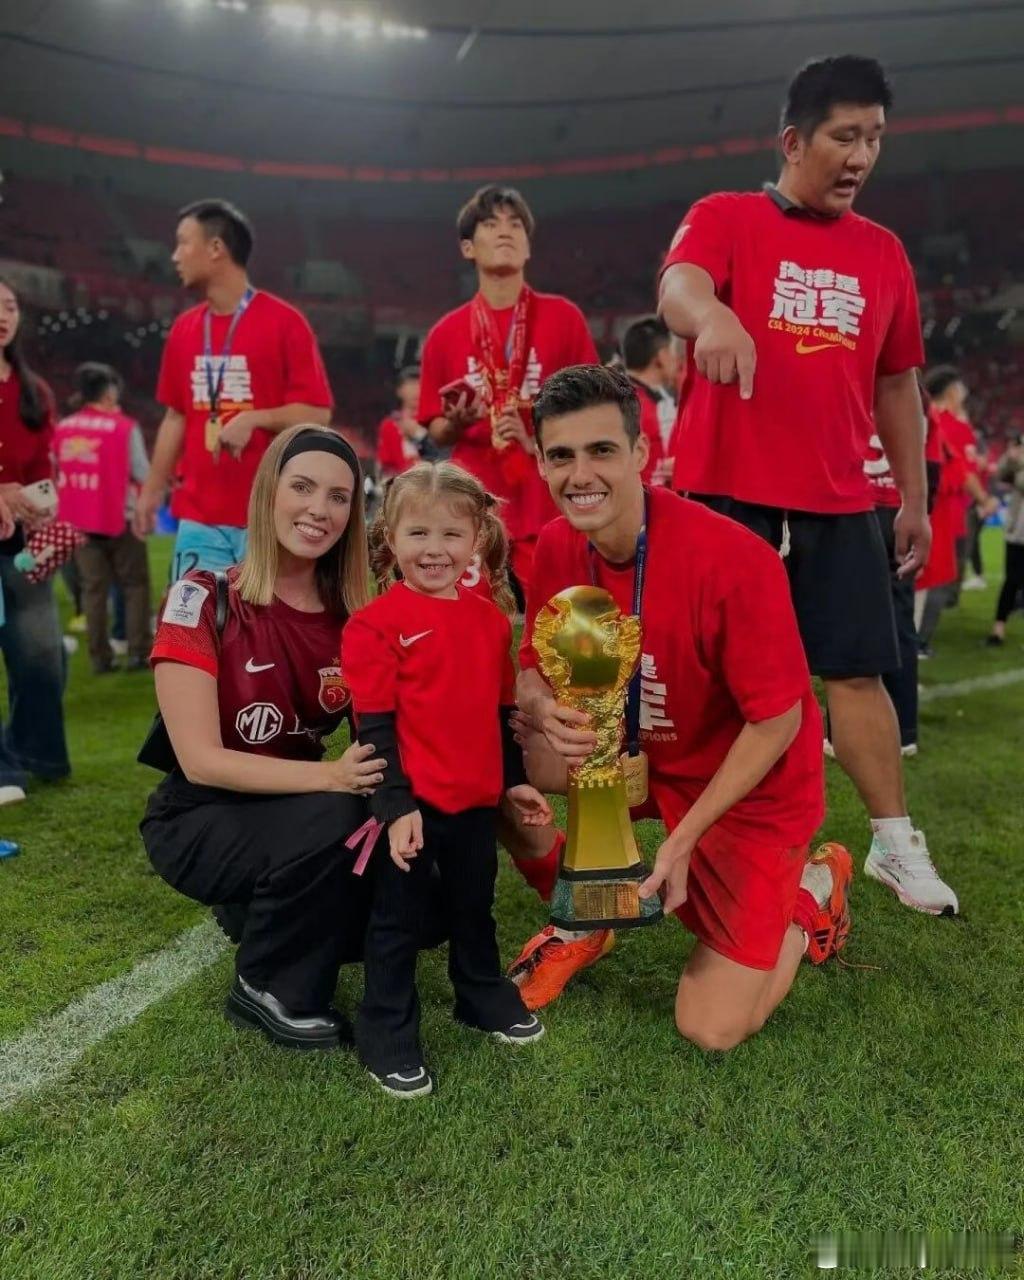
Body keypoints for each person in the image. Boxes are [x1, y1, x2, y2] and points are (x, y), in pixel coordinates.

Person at [658, 54, 958, 915]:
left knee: (858, 673)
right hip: (726, 496)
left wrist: (913, 499)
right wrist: (713, 314)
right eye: (844, 136)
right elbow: (678, 287)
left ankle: (894, 844)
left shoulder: (883, 252)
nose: (861, 156)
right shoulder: (726, 216)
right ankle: (725, 842)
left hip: (838, 498)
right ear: (794, 141)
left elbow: (897, 384)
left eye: (875, 138)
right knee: (721, 685)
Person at [508, 366, 850, 1049]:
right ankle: (585, 915)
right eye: (561, 455)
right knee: (489, 768)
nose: (581, 474)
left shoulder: (734, 560)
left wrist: (684, 837)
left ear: (641, 452)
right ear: (540, 462)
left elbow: (778, 719)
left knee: (711, 1027)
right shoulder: (554, 545)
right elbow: (530, 668)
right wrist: (542, 708)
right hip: (634, 756)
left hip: (745, 783)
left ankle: (812, 894)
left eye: (602, 450)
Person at [139, 424, 387, 1050]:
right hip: (200, 815)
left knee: (420, 880)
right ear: (268, 492)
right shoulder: (201, 598)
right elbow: (200, 761)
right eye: (302, 487)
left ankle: (256, 906)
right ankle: (268, 986)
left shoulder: (357, 618)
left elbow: (386, 736)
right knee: (341, 815)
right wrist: (331, 776)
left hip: (292, 811)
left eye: (338, 496)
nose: (319, 509)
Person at [342, 462, 551, 1096]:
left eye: (451, 534)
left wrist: (513, 782)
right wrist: (394, 805)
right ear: (391, 538)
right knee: (396, 921)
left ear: (477, 539)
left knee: (473, 906)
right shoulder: (373, 625)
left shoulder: (490, 623)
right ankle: (385, 1027)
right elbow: (374, 730)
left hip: (475, 806)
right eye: (419, 534)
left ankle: (480, 993)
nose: (435, 550)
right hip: (409, 809)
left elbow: (500, 713)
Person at [133, 199, 333, 580]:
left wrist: (255, 418)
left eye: (183, 243)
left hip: (268, 516)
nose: (175, 256)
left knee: (260, 621)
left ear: (215, 249)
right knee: (194, 618)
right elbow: (176, 416)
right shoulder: (185, 329)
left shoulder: (285, 323)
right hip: (198, 517)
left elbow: (317, 413)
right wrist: (152, 489)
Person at [419, 184, 599, 596]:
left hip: (548, 495)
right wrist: (456, 422)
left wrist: (538, 437)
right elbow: (436, 431)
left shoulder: (564, 318)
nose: (505, 231)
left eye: (516, 225)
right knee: (470, 621)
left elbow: (592, 407)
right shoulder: (444, 333)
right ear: (468, 247)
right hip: (474, 500)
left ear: (528, 246)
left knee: (562, 619)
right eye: (490, 224)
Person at [0, 276, 68, 805]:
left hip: (24, 541)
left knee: (43, 653)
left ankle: (34, 752)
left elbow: (47, 466)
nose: (4, 316)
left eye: (10, 306)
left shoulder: (34, 390)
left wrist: (45, 502)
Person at [55, 362, 152, 674]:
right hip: (121, 518)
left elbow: (55, 470)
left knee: (93, 590)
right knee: (134, 585)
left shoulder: (63, 428)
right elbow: (143, 472)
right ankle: (138, 652)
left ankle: (100, 658)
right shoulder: (124, 427)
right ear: (110, 393)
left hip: (78, 521)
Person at [916, 367, 997, 657]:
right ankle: (917, 643)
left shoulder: (924, 416)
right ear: (952, 391)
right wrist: (984, 498)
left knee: (921, 578)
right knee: (934, 578)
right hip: (941, 511)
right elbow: (962, 471)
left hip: (923, 508)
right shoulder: (948, 424)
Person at [621, 315, 679, 486]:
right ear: (662, 356)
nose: (676, 359)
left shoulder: (611, 399)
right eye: (672, 351)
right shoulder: (656, 408)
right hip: (651, 497)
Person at [987, 434, 1024, 646]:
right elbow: (1001, 474)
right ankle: (998, 629)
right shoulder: (1020, 447)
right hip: (1017, 530)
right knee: (1011, 580)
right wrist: (1010, 458)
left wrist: (1019, 463)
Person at [375, 366, 437, 480]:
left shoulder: (436, 423)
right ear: (399, 390)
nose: (415, 390)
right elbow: (385, 466)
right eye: (410, 384)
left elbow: (441, 459)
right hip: (400, 484)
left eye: (419, 384)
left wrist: (420, 435)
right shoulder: (389, 425)